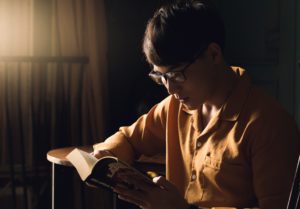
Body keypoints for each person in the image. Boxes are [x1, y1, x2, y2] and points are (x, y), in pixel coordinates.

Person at [92, 0, 300, 209]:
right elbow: (128, 138)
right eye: (161, 76)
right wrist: (107, 156)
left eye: (177, 75)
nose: (170, 89)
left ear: (213, 54)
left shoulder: (268, 124)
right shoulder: (174, 108)